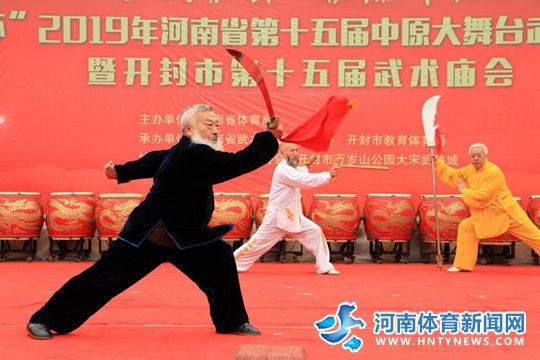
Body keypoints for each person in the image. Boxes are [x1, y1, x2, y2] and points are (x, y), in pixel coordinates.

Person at [27, 104, 283, 339]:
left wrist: (123, 170)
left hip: (183, 236)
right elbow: (238, 163)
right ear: (189, 129)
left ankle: (231, 320)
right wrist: (269, 138)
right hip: (150, 234)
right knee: (104, 277)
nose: (216, 130)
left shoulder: (181, 152)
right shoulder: (194, 154)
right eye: (209, 124)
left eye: (218, 125)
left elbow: (154, 160)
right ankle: (44, 319)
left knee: (219, 258)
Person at [234, 143, 340, 275]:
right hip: (277, 218)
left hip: (293, 217)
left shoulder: (291, 168)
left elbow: (299, 172)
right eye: (291, 150)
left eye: (297, 150)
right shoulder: (283, 170)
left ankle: (325, 266)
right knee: (256, 244)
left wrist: (306, 167)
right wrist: (328, 175)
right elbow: (304, 180)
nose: (295, 153)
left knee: (315, 232)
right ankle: (229, 263)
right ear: (283, 154)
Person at [433, 143, 540, 272]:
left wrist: (464, 191)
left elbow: (483, 196)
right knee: (467, 227)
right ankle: (462, 264)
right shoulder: (469, 170)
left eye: (479, 155)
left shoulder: (494, 172)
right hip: (487, 213)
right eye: (473, 156)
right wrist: (437, 163)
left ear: (485, 156)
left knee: (534, 236)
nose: (476, 158)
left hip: (506, 212)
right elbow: (454, 175)